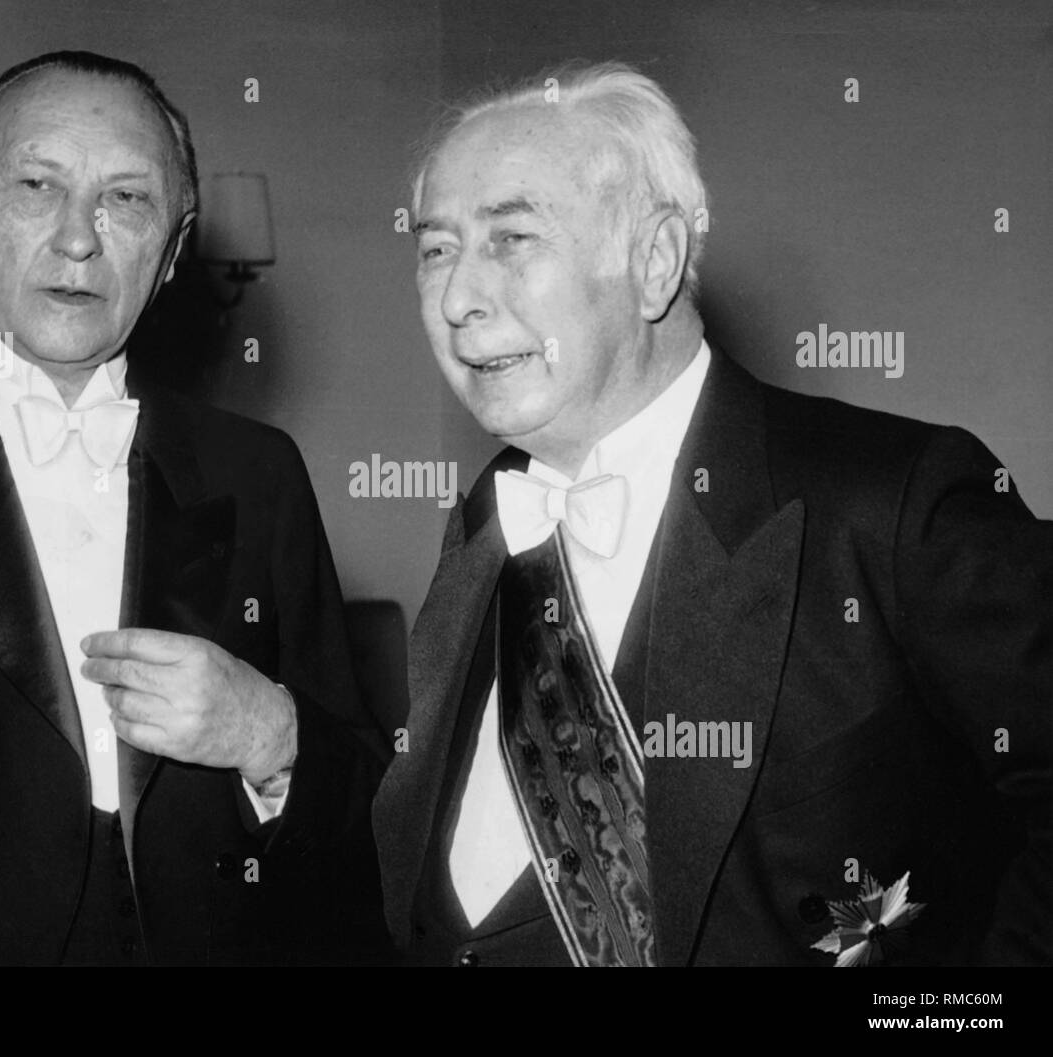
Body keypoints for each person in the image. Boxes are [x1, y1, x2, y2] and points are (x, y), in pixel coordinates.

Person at [373, 61, 1051, 966]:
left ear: (654, 263)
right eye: (436, 249)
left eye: (512, 238)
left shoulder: (893, 502)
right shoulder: (487, 524)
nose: (458, 300)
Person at [0, 50, 387, 966]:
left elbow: (375, 820)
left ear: (173, 251)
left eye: (126, 199)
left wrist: (271, 734)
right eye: (37, 184)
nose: (79, 237)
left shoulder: (260, 473)